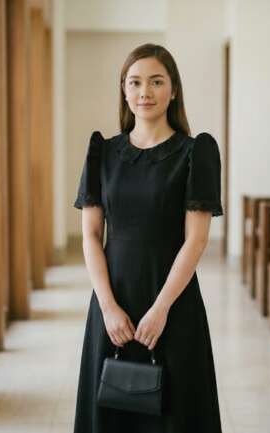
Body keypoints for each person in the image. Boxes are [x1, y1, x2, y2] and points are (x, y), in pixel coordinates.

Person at [72, 43, 224, 433]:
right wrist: (107, 306)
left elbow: (196, 240)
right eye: (135, 82)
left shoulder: (195, 152)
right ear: (124, 90)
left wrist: (160, 309)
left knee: (176, 416)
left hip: (173, 303)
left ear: (173, 90)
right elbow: (90, 234)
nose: (146, 92)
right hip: (112, 301)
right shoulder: (101, 153)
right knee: (111, 413)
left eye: (157, 82)